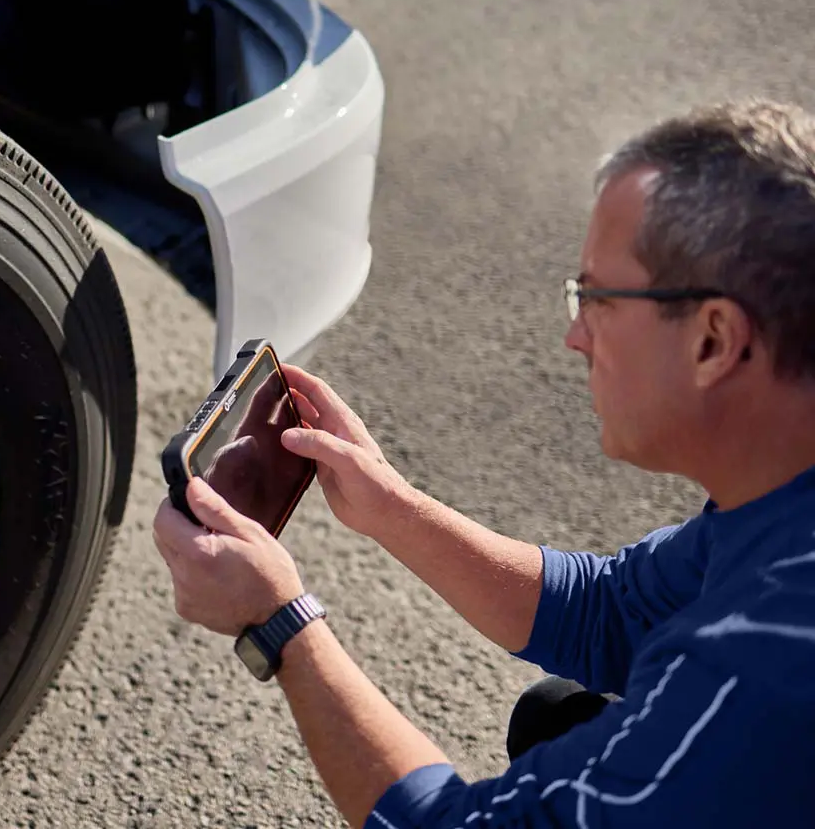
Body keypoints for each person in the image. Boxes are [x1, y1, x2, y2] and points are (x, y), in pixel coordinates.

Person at [152, 98, 815, 828]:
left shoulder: (764, 662)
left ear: (713, 341)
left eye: (597, 299)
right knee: (558, 720)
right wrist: (391, 506)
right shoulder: (780, 496)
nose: (574, 337)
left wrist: (280, 625)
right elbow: (608, 614)